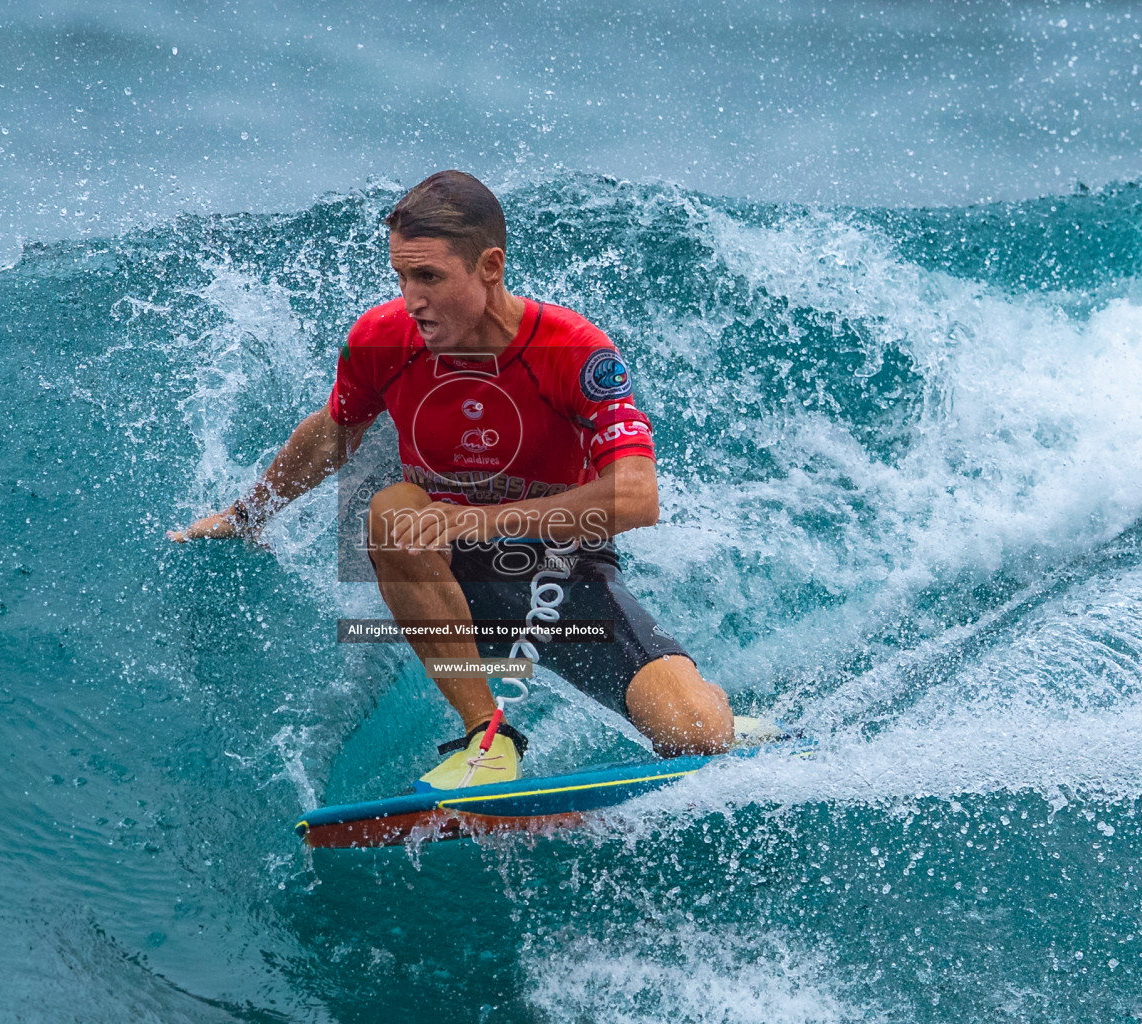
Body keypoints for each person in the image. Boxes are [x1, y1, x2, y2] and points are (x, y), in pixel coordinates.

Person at [170, 170, 776, 790]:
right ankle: (486, 737)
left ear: (490, 266)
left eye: (428, 277)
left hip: (562, 574)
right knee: (392, 509)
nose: (411, 300)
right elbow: (334, 431)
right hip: (447, 575)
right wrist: (248, 513)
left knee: (695, 737)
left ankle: (716, 713)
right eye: (401, 277)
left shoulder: (571, 351)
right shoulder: (381, 341)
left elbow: (636, 497)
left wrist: (483, 519)